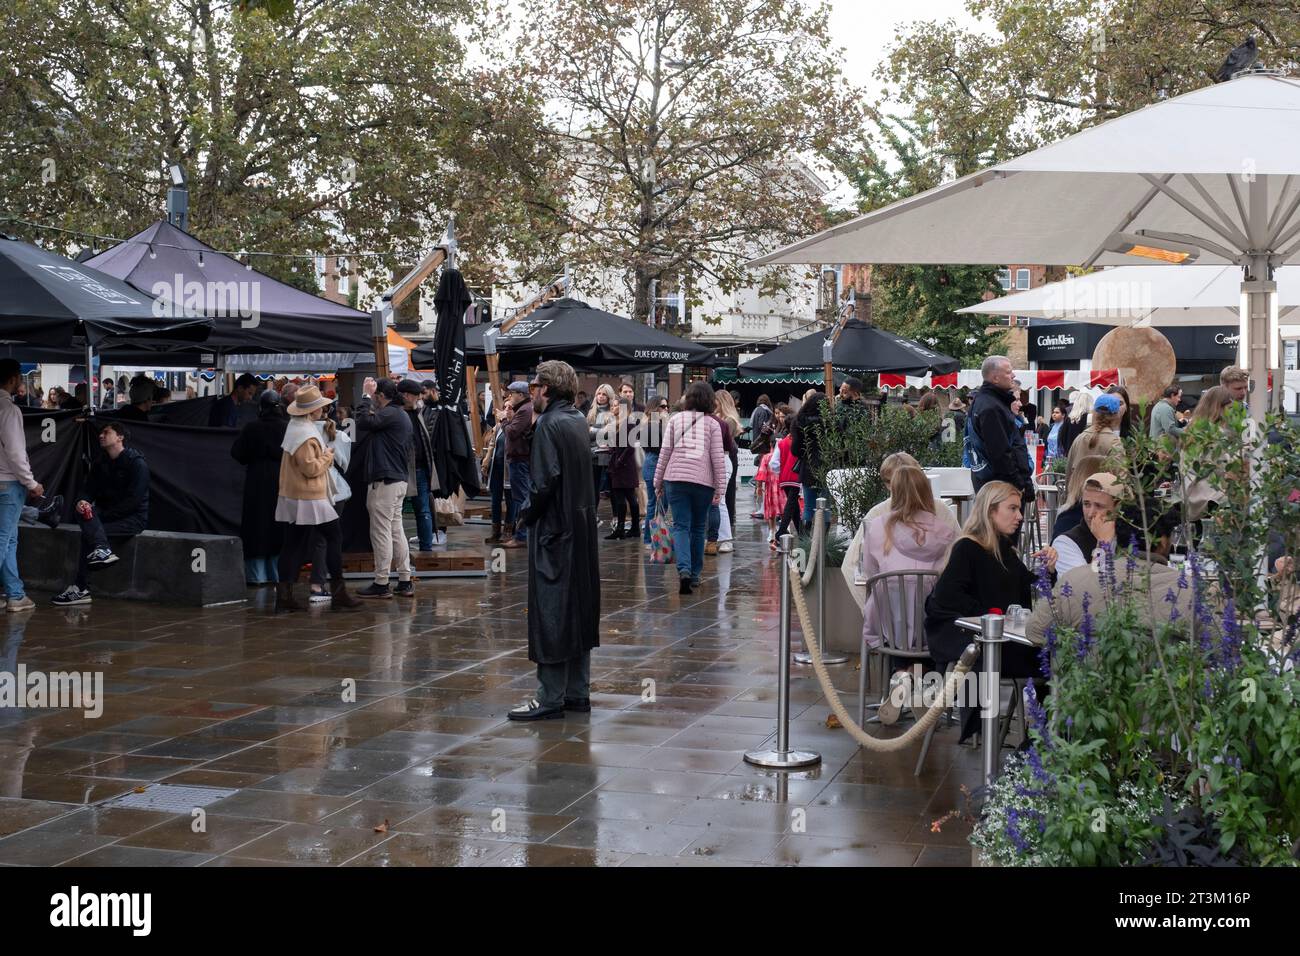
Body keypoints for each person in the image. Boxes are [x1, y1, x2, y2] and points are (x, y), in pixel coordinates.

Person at [924, 480, 1057, 739]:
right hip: (967, 638)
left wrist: (1049, 572)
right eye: (1013, 509)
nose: (1020, 516)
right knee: (1047, 661)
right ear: (990, 511)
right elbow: (948, 597)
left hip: (999, 638)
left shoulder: (1004, 549)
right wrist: (995, 615)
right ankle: (1038, 740)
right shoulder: (967, 548)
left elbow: (1030, 587)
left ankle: (1042, 738)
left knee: (1053, 659)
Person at [508, 360, 600, 721]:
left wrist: (524, 515)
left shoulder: (548, 423)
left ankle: (549, 697)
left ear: (546, 389)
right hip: (580, 529)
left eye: (534, 387)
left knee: (552, 613)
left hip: (555, 531)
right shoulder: (576, 419)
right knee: (578, 609)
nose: (531, 393)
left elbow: (544, 483)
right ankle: (577, 692)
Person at [860, 464, 960, 724]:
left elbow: (868, 573)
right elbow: (951, 581)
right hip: (929, 628)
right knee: (929, 611)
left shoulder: (876, 528)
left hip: (888, 628)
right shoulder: (944, 532)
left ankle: (901, 675)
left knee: (891, 608)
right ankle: (920, 684)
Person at [1027, 507, 1194, 647]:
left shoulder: (1074, 581)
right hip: (1163, 685)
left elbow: (1035, 631)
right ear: (1164, 542)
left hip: (1088, 684)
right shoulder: (1190, 591)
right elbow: (1216, 646)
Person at [271, 386, 359, 612]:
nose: (323, 410)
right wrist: (328, 456)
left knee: (293, 544)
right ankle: (338, 591)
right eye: (319, 406)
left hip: (296, 495)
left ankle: (285, 596)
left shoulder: (296, 428)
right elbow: (311, 469)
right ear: (312, 411)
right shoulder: (305, 435)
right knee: (333, 537)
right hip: (310, 495)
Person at [50, 422, 149, 606]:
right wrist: (82, 500)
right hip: (104, 516)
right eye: (101, 432)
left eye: (107, 432)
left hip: (132, 519)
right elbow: (88, 489)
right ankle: (101, 550)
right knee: (82, 510)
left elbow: (133, 502)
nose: (101, 435)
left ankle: (81, 588)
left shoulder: (137, 464)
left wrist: (99, 517)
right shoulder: (100, 461)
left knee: (89, 534)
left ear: (120, 437)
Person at [653, 381, 727, 594]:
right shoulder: (713, 424)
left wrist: (658, 482)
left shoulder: (675, 420)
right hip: (703, 483)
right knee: (697, 528)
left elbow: (664, 453)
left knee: (680, 526)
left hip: (675, 480)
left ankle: (683, 570)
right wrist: (720, 488)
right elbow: (717, 459)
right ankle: (694, 574)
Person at [354, 378, 414, 598]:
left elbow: (362, 422)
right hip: (397, 479)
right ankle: (405, 580)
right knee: (396, 531)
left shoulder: (390, 413)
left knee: (381, 532)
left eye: (375, 397)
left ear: (380, 396)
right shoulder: (401, 414)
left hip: (385, 480)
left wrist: (364, 397)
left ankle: (381, 582)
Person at [231, 389, 288, 586]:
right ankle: (277, 573)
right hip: (281, 480)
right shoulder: (286, 427)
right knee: (278, 525)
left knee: (256, 526)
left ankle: (256, 575)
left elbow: (237, 453)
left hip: (256, 481)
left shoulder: (252, 428)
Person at [0, 359, 43, 612]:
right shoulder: (9, 410)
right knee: (4, 539)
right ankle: (15, 595)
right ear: (14, 378)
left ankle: (15, 593)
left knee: (9, 539)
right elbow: (16, 453)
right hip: (8, 483)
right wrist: (32, 483)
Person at [967, 355, 1033, 501]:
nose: (1013, 375)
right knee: (1005, 524)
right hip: (1001, 489)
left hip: (996, 486)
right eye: (1009, 372)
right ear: (995, 378)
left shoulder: (989, 402)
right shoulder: (991, 407)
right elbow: (1001, 453)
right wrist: (1019, 484)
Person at [398, 379, 440, 553]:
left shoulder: (419, 412)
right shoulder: (396, 413)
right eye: (417, 395)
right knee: (396, 513)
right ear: (406, 395)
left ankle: (426, 549)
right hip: (399, 470)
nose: (419, 398)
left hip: (421, 468)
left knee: (423, 510)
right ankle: (398, 551)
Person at [1049, 471, 1120, 575]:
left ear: (1118, 508)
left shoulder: (1132, 536)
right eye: (1086, 504)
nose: (1091, 514)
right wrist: (1103, 544)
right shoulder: (1066, 543)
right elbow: (1088, 587)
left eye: (1099, 506)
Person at [1064, 393, 1125, 499]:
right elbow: (1121, 480)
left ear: (1094, 413)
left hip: (1077, 501)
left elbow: (1069, 474)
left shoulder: (1079, 439)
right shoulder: (1114, 443)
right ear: (1117, 416)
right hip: (1102, 505)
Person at [501, 380, 535, 549]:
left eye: (512, 393)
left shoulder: (524, 409)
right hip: (520, 458)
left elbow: (512, 432)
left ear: (521, 395)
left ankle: (522, 536)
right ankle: (523, 534)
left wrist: (504, 421)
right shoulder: (524, 408)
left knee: (522, 498)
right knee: (522, 497)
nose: (509, 396)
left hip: (520, 459)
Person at [708, 389, 741, 554]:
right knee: (717, 501)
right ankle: (719, 537)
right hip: (718, 460)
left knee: (719, 501)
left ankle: (726, 539)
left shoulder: (729, 420)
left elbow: (723, 443)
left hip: (723, 460)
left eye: (716, 401)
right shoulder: (722, 419)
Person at [791, 392, 828, 527]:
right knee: (825, 507)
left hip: (808, 467)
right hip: (827, 467)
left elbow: (795, 449)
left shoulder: (800, 421)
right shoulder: (830, 422)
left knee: (808, 506)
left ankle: (806, 542)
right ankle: (823, 543)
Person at [604, 399, 640, 540]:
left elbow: (630, 447)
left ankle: (630, 528)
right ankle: (624, 528)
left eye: (616, 405)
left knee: (627, 497)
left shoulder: (629, 423)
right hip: (619, 464)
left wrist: (619, 460)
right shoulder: (618, 423)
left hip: (624, 466)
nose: (613, 408)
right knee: (623, 497)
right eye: (612, 405)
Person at [640, 395, 668, 545]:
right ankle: (651, 539)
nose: (666, 409)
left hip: (653, 463)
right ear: (655, 408)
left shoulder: (654, 425)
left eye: (666, 406)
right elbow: (661, 449)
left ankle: (651, 539)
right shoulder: (652, 426)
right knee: (655, 503)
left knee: (658, 503)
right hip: (654, 464)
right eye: (663, 407)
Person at [587, 384, 617, 521]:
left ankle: (617, 518)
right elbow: (585, 434)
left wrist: (593, 431)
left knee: (613, 487)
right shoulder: (591, 412)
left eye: (604, 394)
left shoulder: (613, 413)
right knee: (593, 488)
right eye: (599, 393)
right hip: (593, 454)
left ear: (609, 396)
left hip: (609, 454)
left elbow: (611, 433)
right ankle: (593, 515)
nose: (601, 396)